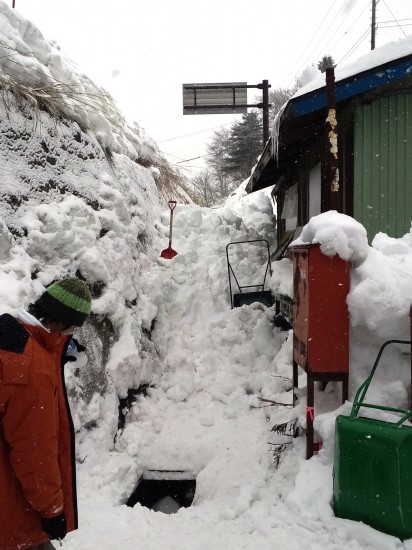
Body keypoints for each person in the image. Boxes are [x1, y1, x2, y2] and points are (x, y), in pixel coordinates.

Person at [0, 278, 92, 550]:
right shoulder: (32, 367)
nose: (72, 334)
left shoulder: (9, 338)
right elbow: (34, 450)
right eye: (73, 327)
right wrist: (52, 511)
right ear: (60, 323)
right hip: (12, 513)